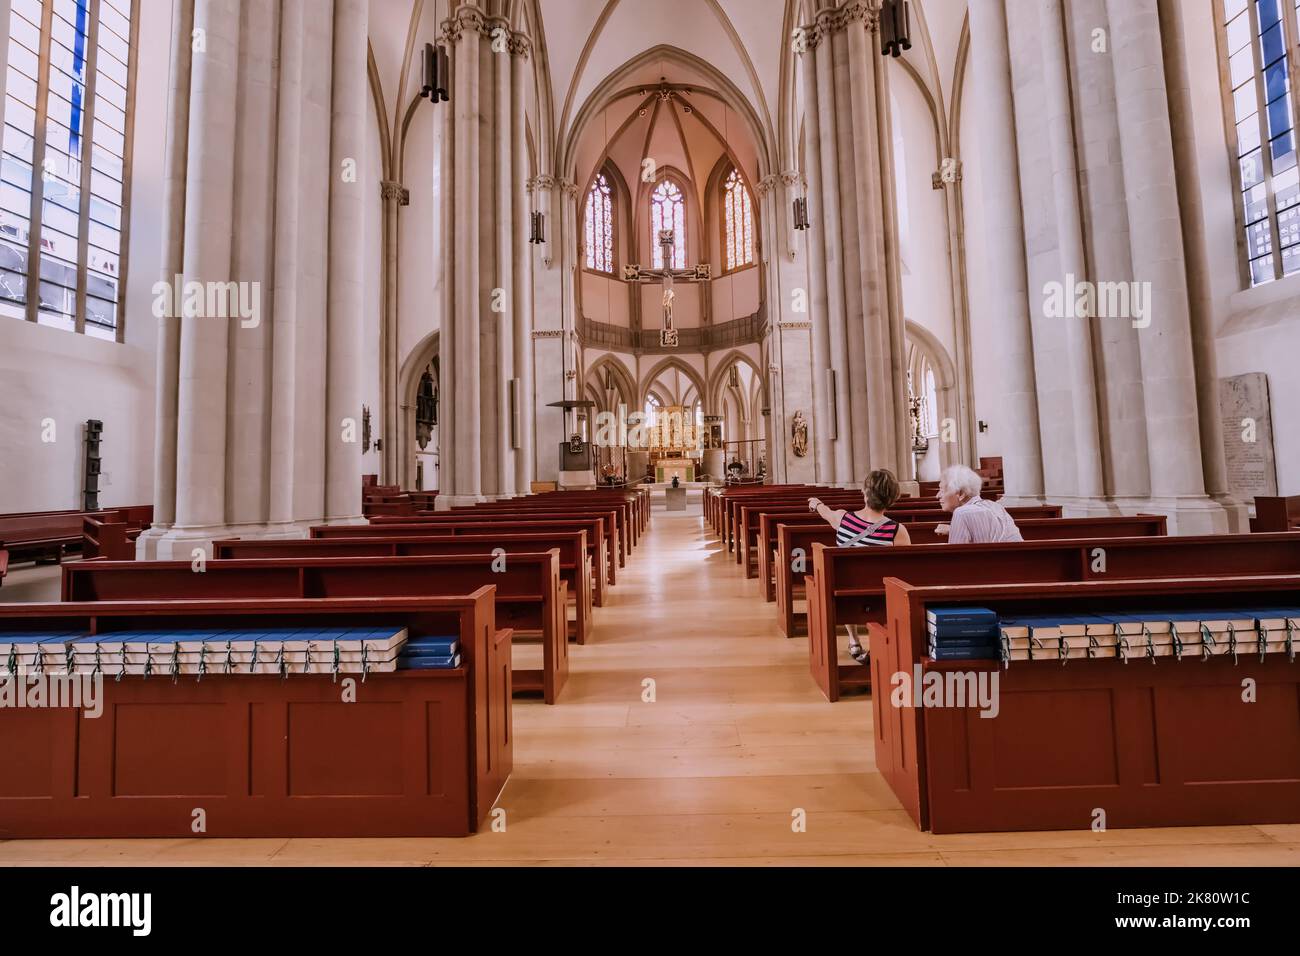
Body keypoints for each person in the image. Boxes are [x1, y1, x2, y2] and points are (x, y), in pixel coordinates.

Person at [808, 469, 911, 665]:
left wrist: (816, 503)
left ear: (864, 493)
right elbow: (904, 569)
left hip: (845, 597)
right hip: (882, 597)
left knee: (846, 578)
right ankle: (877, 644)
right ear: (893, 498)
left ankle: (854, 641)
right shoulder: (897, 531)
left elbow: (825, 513)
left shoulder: (842, 519)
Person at [934, 464, 1023, 543]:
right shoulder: (996, 506)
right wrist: (953, 530)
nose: (937, 496)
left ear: (961, 494)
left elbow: (957, 557)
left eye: (942, 490)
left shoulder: (961, 513)